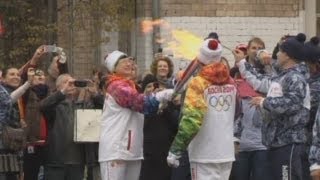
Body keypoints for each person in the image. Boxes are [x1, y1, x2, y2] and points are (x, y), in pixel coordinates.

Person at [234, 34, 311, 180]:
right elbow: (260, 81)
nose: (276, 55)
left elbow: (292, 103)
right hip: (277, 142)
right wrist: (243, 63)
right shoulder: (283, 76)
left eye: (280, 52)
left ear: (287, 55)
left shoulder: (295, 77)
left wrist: (264, 102)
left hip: (289, 142)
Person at [167, 39, 238, 180]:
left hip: (204, 153)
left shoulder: (198, 83)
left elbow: (192, 121)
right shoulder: (231, 82)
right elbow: (237, 112)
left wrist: (176, 149)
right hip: (226, 152)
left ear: (200, 60)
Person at [99, 50, 174, 180]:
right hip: (115, 150)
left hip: (133, 150)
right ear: (114, 69)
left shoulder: (131, 86)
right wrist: (161, 95)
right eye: (123, 62)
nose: (128, 64)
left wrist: (160, 102)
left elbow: (146, 108)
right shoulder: (115, 86)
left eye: (129, 60)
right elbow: (140, 102)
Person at [230, 37, 272, 180]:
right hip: (241, 143)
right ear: (247, 51)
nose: (257, 51)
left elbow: (265, 88)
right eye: (253, 48)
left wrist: (269, 65)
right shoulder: (236, 73)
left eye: (260, 48)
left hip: (262, 143)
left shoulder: (270, 72)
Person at [140, 56, 179, 180]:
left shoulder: (170, 93)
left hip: (165, 146)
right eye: (149, 86)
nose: (152, 89)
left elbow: (175, 122)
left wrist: (165, 106)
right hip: (147, 147)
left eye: (165, 66)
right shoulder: (141, 103)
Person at [40, 74, 85, 180]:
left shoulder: (81, 105)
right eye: (66, 82)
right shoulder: (54, 106)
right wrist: (63, 92)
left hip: (77, 162)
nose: (70, 85)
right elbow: (43, 106)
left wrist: (94, 92)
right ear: (58, 87)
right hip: (56, 162)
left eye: (72, 83)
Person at [0, 67, 34, 180]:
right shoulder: (2, 91)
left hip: (13, 147)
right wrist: (28, 83)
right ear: (3, 79)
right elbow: (7, 101)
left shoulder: (18, 96)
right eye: (12, 74)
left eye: (18, 75)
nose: (16, 77)